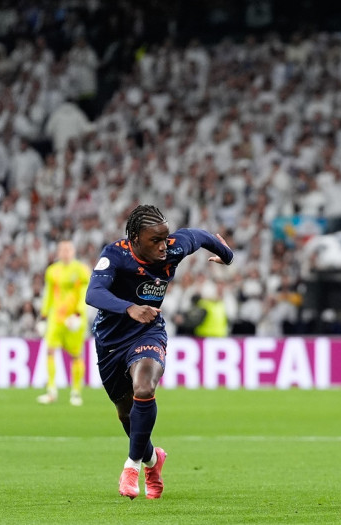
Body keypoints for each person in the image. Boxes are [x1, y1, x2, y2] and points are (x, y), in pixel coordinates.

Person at [86, 204, 233, 500]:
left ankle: (132, 466)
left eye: (165, 238)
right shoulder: (115, 254)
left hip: (149, 331)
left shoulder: (174, 248)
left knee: (144, 386)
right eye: (155, 240)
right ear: (135, 240)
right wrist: (130, 308)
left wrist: (226, 256)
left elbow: (199, 235)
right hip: (111, 342)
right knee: (126, 413)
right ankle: (154, 460)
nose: (164, 246)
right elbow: (94, 293)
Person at [37, 240, 93, 406]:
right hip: (56, 318)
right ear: (58, 252)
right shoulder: (52, 271)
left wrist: (79, 313)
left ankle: (76, 392)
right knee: (50, 351)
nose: (65, 252)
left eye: (68, 249)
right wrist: (43, 316)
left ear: (73, 251)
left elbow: (85, 292)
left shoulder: (81, 270)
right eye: (62, 249)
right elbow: (49, 294)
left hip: (74, 319)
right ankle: (51, 390)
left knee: (76, 355)